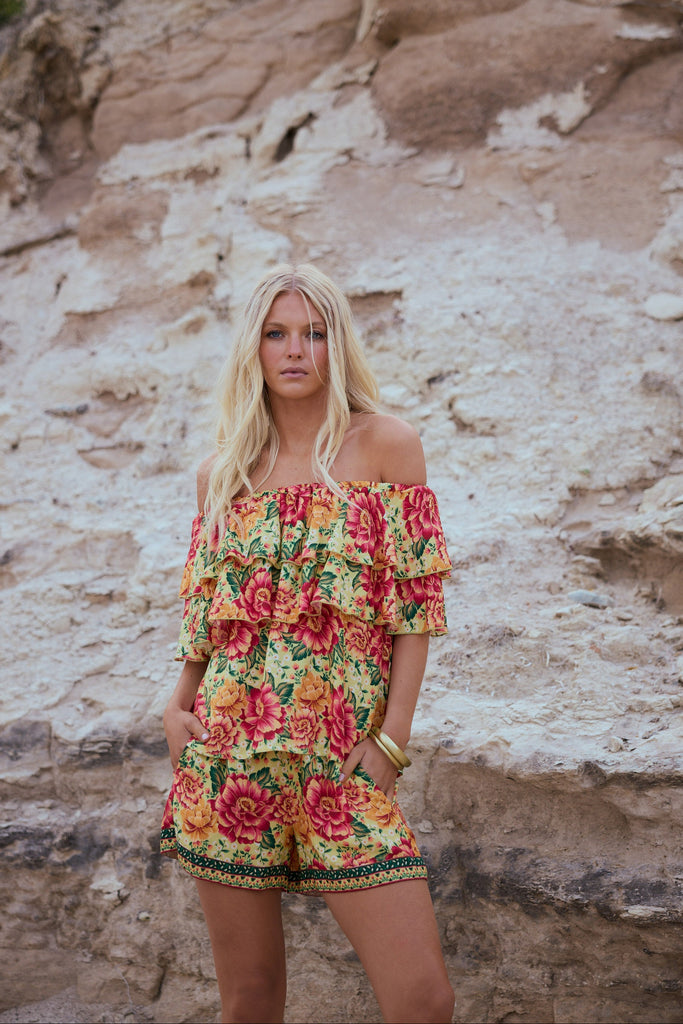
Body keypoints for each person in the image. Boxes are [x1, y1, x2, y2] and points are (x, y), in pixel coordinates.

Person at [160, 263, 455, 1024]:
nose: (296, 351)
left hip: (342, 768)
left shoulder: (386, 446)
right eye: (276, 334)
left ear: (338, 345)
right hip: (227, 759)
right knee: (251, 1000)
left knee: (423, 1000)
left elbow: (414, 608)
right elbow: (205, 616)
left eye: (315, 334)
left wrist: (391, 741)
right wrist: (176, 703)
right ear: (252, 350)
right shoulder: (220, 475)